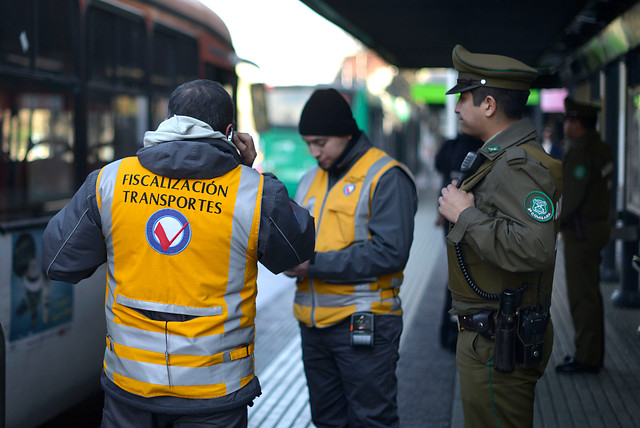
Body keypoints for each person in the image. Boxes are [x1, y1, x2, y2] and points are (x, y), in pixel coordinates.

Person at [41, 79, 315, 428]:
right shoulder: (254, 193)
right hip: (215, 395)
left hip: (130, 388)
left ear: (169, 120)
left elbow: (58, 260)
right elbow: (297, 249)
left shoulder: (109, 182)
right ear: (230, 132)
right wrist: (251, 173)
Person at [438, 45, 562, 428]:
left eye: (464, 98)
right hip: (489, 335)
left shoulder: (517, 165)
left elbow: (537, 248)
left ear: (488, 104)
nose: (457, 108)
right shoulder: (501, 158)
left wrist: (466, 215)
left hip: (497, 340)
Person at [283, 88, 417, 428]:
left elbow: (391, 252)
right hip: (313, 325)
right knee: (327, 420)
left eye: (320, 142)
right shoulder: (310, 179)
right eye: (308, 143)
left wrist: (313, 265)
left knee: (371, 420)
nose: (314, 152)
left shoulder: (386, 176)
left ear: (346, 132)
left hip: (364, 322)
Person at [555, 97, 613, 374]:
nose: (565, 125)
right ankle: (591, 352)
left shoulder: (580, 152)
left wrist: (552, 224)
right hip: (595, 228)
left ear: (576, 124)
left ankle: (586, 356)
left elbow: (573, 197)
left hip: (581, 234)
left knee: (582, 296)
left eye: (568, 120)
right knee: (591, 293)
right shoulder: (600, 148)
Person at [434, 133, 483, 351]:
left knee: (454, 273)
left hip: (449, 216)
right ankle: (462, 330)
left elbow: (438, 166)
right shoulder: (483, 147)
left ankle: (448, 330)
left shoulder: (450, 146)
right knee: (469, 274)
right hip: (474, 218)